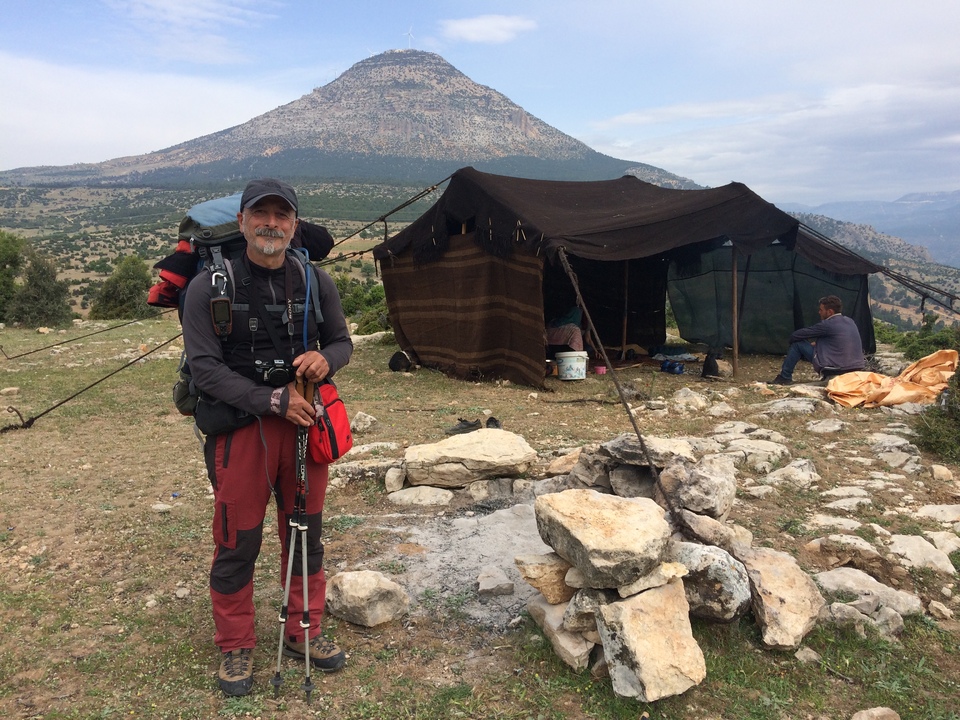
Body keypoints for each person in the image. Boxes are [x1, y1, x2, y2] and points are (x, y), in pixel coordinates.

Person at [181, 178, 353, 697]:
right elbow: (206, 370)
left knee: (306, 534)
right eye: (261, 215)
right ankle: (235, 644)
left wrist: (327, 359)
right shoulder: (208, 288)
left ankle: (306, 630)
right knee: (238, 539)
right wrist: (271, 399)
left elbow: (342, 341)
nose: (271, 224)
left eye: (282, 215)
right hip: (241, 431)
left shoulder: (314, 281)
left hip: (305, 426)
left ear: (294, 225)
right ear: (242, 222)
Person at [771, 295, 864, 385]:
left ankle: (784, 377)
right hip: (855, 368)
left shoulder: (827, 324)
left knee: (798, 344)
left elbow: (796, 335)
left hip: (836, 369)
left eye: (821, 310)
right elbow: (838, 342)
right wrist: (819, 344)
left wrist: (792, 341)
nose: (819, 312)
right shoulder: (850, 321)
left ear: (830, 312)